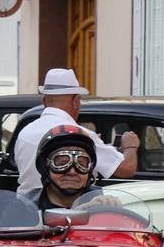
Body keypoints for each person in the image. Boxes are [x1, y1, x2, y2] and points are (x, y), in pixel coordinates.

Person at [14, 68, 140, 199]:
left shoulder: (26, 131)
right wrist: (131, 146)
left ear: (45, 101)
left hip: (26, 208)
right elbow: (127, 169)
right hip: (65, 210)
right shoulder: (81, 134)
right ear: (75, 101)